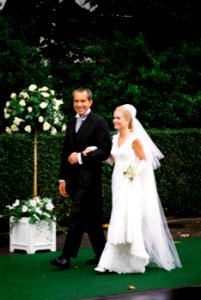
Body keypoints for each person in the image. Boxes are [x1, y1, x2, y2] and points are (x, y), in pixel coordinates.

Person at [87, 104, 182, 274]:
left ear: (128, 120)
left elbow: (145, 161)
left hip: (130, 182)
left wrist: (132, 173)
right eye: (114, 117)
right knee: (117, 215)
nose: (115, 121)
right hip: (117, 180)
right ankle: (113, 260)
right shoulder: (114, 139)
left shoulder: (135, 139)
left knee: (126, 217)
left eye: (118, 118)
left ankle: (129, 259)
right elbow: (111, 159)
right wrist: (94, 149)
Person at [50, 87, 112, 270]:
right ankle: (102, 255)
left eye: (83, 101)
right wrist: (62, 179)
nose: (79, 104)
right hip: (74, 180)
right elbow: (65, 153)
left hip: (90, 180)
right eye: (76, 101)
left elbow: (104, 151)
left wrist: (80, 157)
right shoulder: (70, 123)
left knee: (76, 215)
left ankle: (66, 257)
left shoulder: (99, 121)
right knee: (92, 219)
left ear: (90, 102)